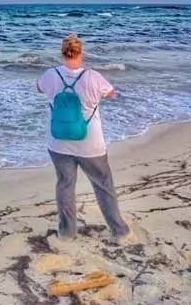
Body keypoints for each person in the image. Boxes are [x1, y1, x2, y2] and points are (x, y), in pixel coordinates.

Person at [37, 33, 129, 241]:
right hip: (90, 144)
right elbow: (111, 93)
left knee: (65, 184)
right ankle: (119, 230)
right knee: (103, 184)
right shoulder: (93, 76)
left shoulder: (50, 74)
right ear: (81, 53)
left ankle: (67, 232)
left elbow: (39, 88)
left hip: (58, 142)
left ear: (62, 53)